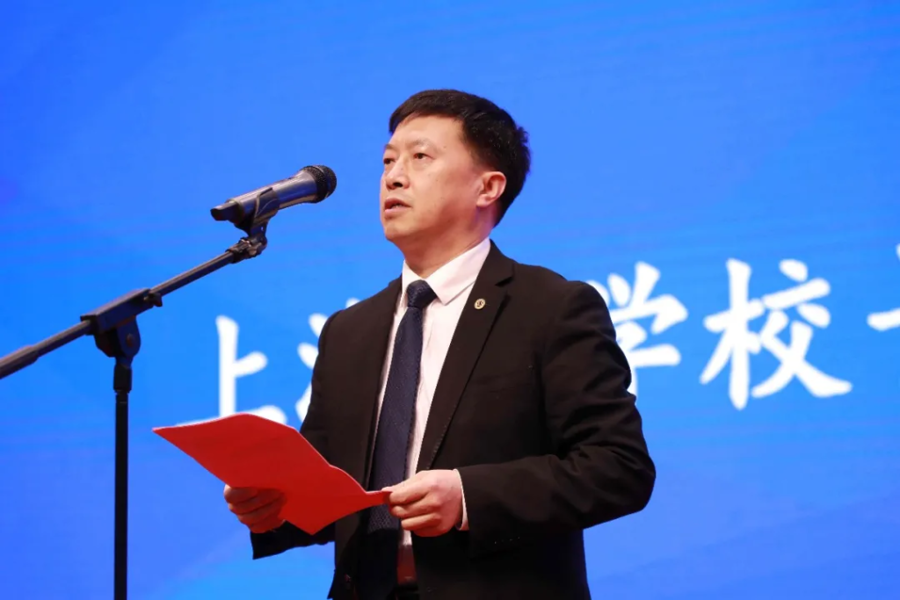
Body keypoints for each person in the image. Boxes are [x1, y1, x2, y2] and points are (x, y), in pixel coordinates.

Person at [223, 89, 655, 600]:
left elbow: (618, 466)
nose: (393, 176)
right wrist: (276, 506)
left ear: (487, 187)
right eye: (388, 161)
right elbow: (332, 492)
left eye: (420, 157)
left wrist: (469, 497)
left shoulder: (550, 307)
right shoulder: (349, 330)